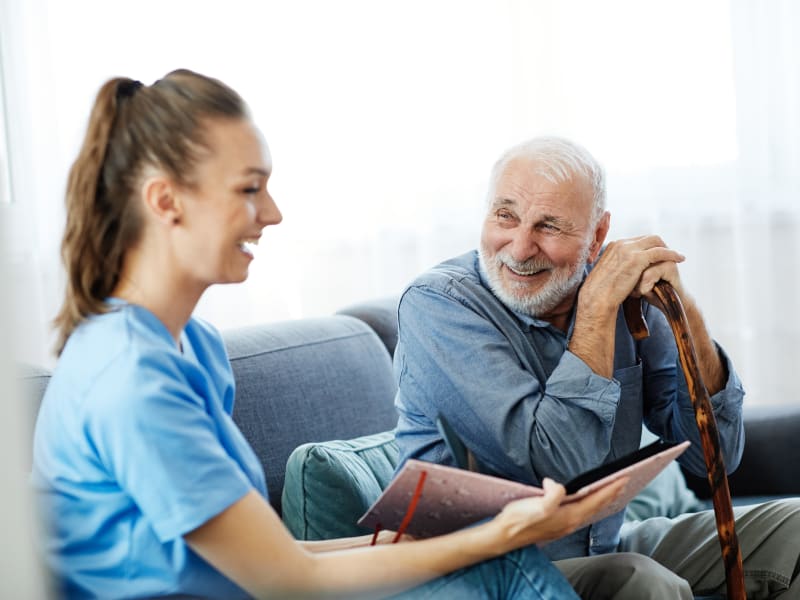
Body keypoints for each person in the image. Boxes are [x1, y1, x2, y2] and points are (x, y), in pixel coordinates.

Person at [29, 71, 629, 600]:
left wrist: (383, 550)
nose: (273, 212)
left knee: (502, 562)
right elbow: (286, 581)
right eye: (248, 188)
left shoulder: (194, 348)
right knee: (502, 567)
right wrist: (507, 530)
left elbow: (268, 561)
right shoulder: (132, 379)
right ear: (166, 201)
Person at [393, 136, 800, 599]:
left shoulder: (624, 298)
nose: (521, 247)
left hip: (602, 546)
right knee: (641, 580)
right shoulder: (439, 306)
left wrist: (681, 305)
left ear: (597, 237)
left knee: (795, 530)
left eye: (549, 226)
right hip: (492, 576)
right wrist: (596, 311)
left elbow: (716, 458)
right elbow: (555, 467)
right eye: (505, 216)